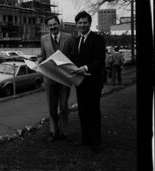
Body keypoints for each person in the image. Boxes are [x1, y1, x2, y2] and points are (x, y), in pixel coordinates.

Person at [70, 11, 107, 147]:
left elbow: (100, 60)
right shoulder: (76, 40)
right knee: (83, 112)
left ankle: (96, 142)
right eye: (80, 23)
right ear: (76, 25)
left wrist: (85, 68)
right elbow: (75, 59)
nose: (82, 25)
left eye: (85, 22)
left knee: (93, 112)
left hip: (93, 82)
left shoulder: (98, 39)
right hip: (80, 82)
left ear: (90, 23)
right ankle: (85, 138)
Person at [38, 14, 74, 141]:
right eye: (50, 25)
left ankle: (65, 131)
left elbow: (74, 55)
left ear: (59, 24)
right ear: (47, 27)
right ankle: (54, 132)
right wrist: (39, 61)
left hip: (64, 78)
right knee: (52, 107)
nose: (52, 27)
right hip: (49, 79)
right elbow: (42, 55)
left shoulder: (69, 37)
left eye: (54, 24)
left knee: (64, 107)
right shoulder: (43, 39)